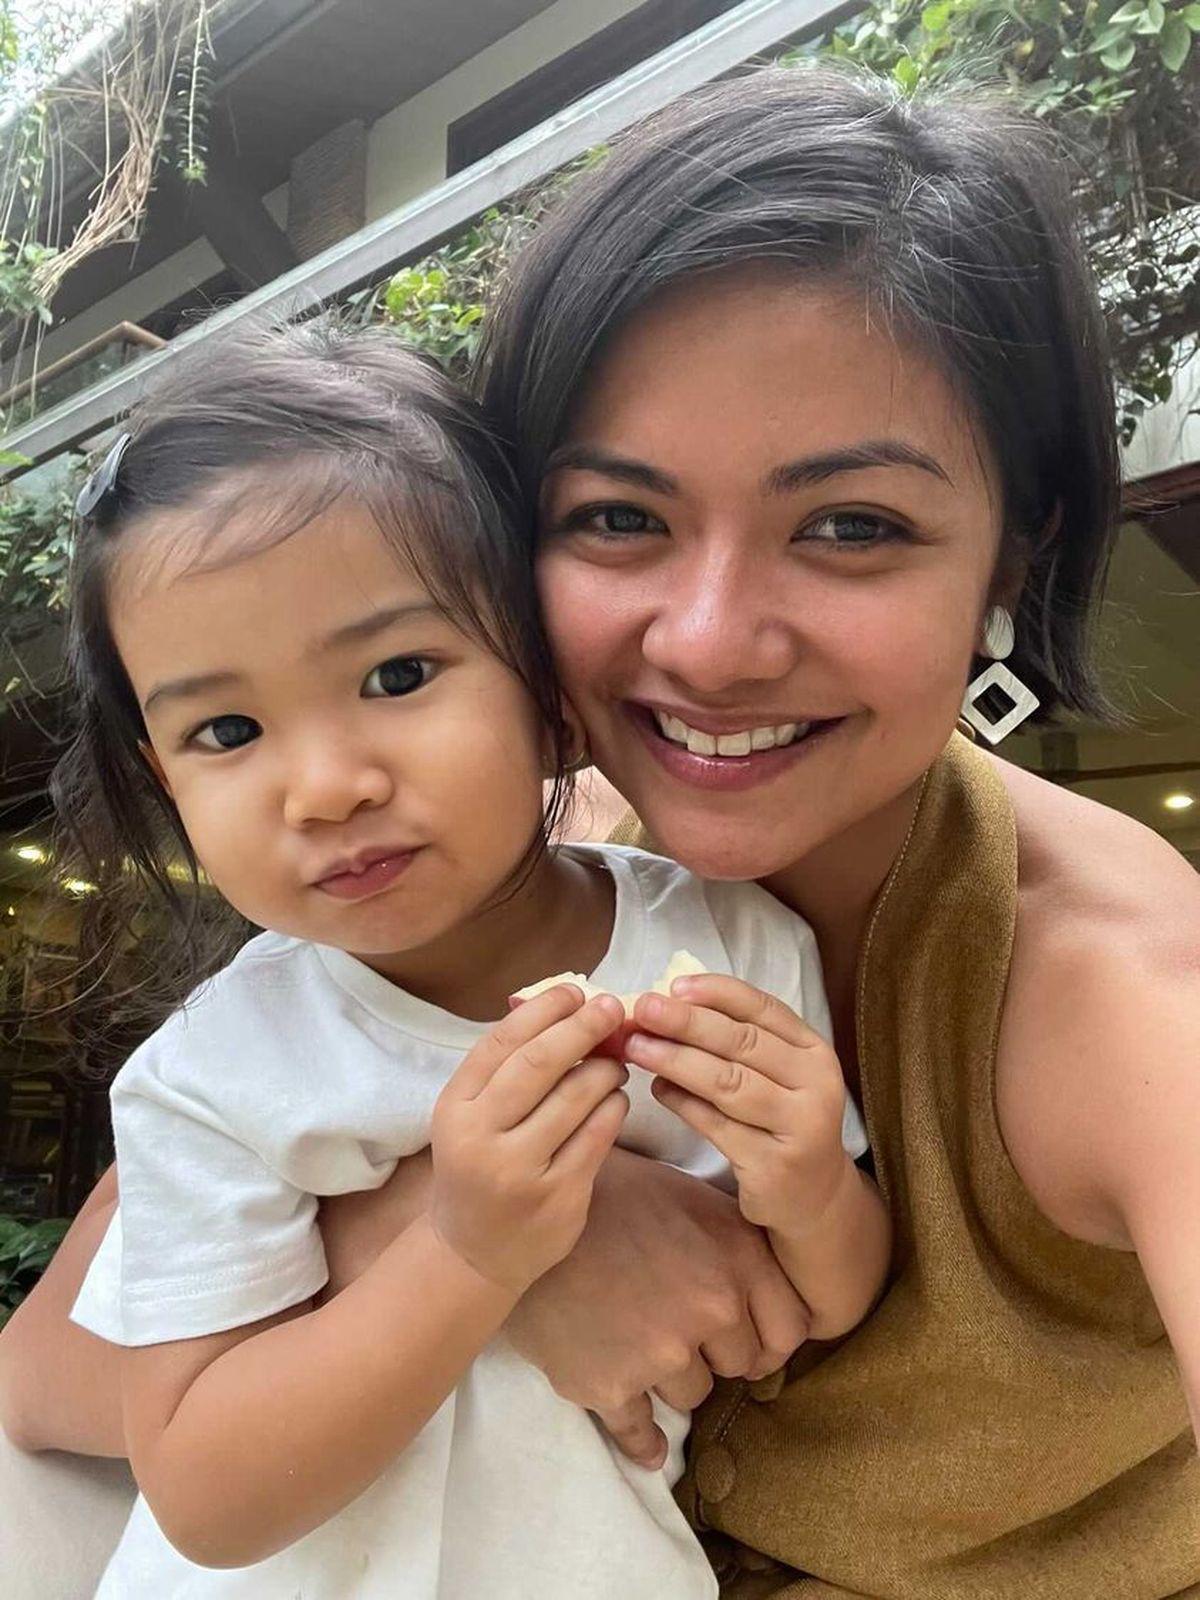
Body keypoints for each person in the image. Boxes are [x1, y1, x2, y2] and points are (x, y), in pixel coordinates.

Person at [4, 62, 1199, 1598]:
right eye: (619, 518)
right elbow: (50, 1376)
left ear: (1008, 563)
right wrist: (470, 1243)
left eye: (854, 527)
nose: (706, 644)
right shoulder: (497, 886)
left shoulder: (1125, 996)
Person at [16, 319, 882, 1599]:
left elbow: (819, 1303)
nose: (321, 787)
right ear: (164, 776)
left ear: (546, 690)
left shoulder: (732, 941)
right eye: (229, 728)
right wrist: (468, 1253)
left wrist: (815, 1185)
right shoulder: (216, 1074)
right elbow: (203, 1491)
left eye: (398, 671)